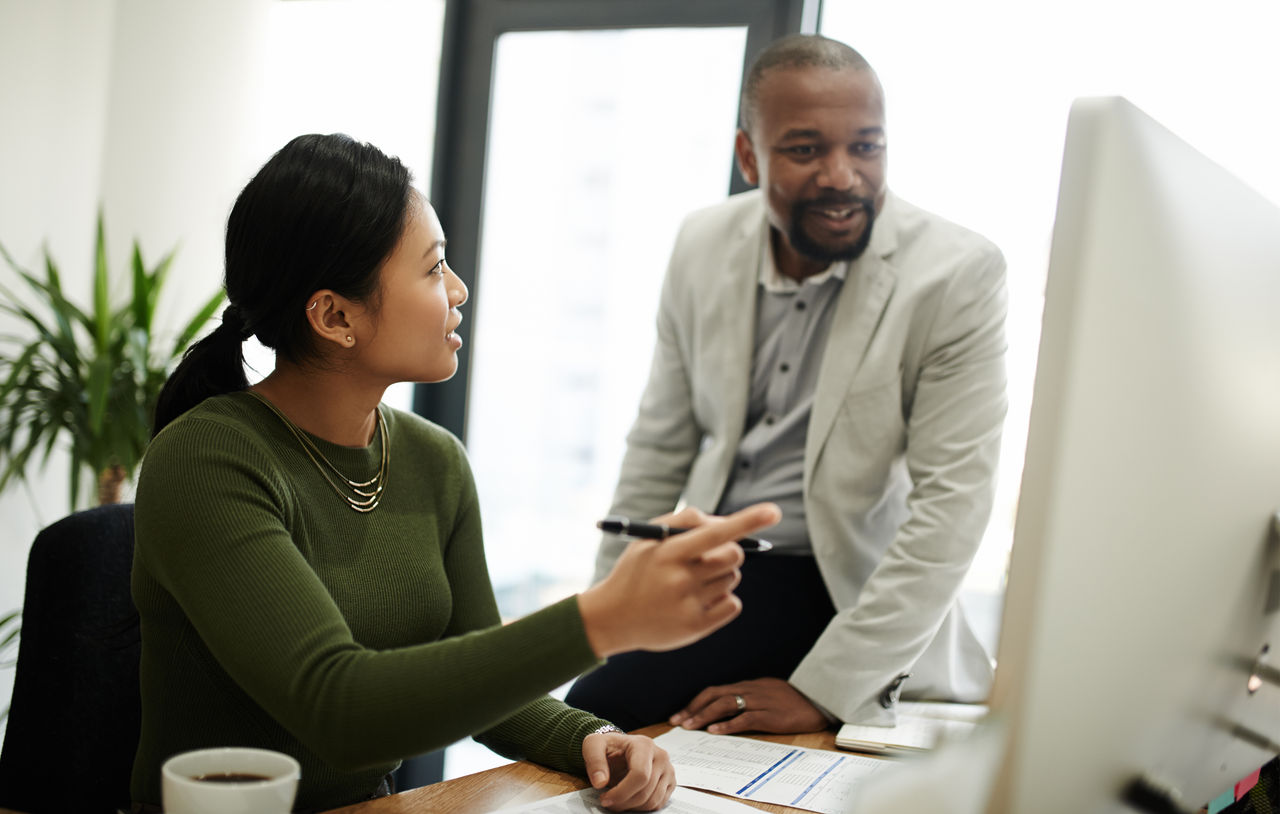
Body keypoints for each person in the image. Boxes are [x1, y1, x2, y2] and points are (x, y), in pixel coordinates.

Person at [129, 133, 780, 812]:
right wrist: (603, 619)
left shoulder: (431, 459)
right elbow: (340, 709)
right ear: (334, 315)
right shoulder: (206, 460)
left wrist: (590, 737)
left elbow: (477, 675)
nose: (459, 290)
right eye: (434, 267)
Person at [565, 34, 1007, 735]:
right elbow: (659, 445)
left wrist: (825, 692)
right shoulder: (701, 243)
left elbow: (954, 503)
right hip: (719, 568)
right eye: (806, 149)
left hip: (848, 583)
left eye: (867, 147)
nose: (843, 175)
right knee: (590, 718)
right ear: (749, 157)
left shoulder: (957, 274)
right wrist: (608, 613)